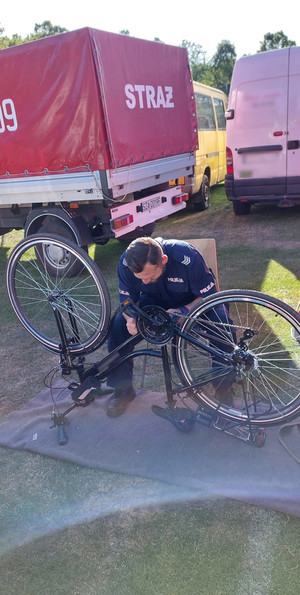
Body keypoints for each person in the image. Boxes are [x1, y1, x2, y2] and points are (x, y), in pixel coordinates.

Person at [106, 236, 217, 417]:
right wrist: (130, 319)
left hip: (192, 303)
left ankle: (224, 390)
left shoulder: (186, 256)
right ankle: (123, 389)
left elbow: (210, 296)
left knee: (222, 323)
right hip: (153, 305)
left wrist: (184, 311)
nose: (147, 281)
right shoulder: (127, 263)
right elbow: (127, 303)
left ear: (163, 260)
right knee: (118, 326)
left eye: (151, 276)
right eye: (142, 279)